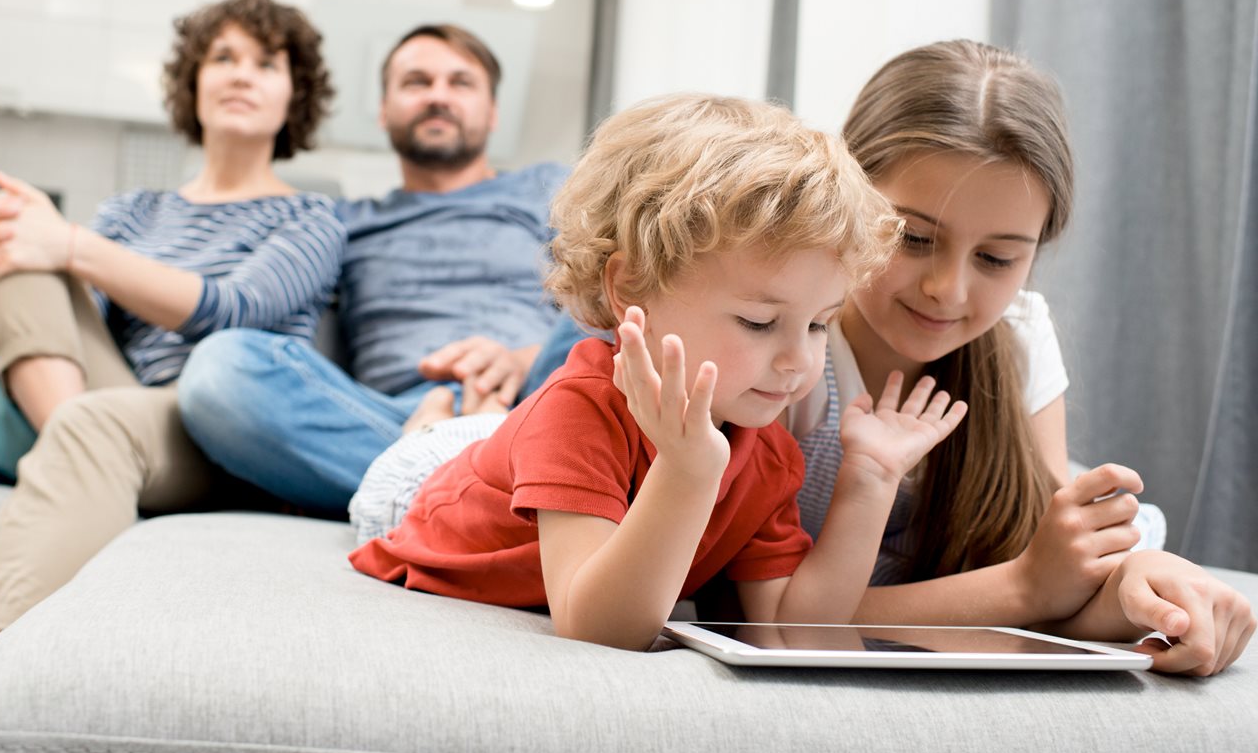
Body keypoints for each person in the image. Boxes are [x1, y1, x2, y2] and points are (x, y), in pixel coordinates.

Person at [353, 40, 1255, 675]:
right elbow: (610, 618)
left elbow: (803, 622)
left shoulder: (772, 408)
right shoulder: (741, 376)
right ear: (859, 214)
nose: (948, 291)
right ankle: (428, 411)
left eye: (997, 258)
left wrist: (1147, 585)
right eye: (913, 237)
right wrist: (690, 464)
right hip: (448, 481)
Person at [350, 93, 972, 651]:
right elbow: (599, 628)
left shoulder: (769, 453)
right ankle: (431, 427)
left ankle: (478, 423)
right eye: (759, 322)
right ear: (629, 290)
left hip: (517, 463)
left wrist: (871, 480)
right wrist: (688, 470)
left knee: (497, 434)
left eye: (818, 324)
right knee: (439, 449)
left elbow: (793, 629)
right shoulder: (581, 411)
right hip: (410, 498)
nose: (798, 361)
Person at [0, 0, 347, 652]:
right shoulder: (133, 211)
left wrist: (68, 245)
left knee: (44, 253)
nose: (239, 73)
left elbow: (232, 311)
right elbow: (71, 311)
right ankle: (77, 445)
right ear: (192, 83)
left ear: (295, 95)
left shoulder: (311, 218)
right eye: (222, 57)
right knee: (14, 223)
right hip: (107, 396)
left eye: (265, 63)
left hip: (210, 423)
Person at [175, 24, 568, 513]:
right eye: (416, 82)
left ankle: (429, 486)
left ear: (492, 113)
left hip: (541, 398)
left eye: (460, 82)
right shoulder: (339, 222)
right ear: (384, 111)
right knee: (219, 371)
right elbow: (242, 290)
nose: (438, 96)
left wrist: (522, 360)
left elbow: (608, 307)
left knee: (631, 279)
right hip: (394, 419)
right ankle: (487, 488)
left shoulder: (550, 187)